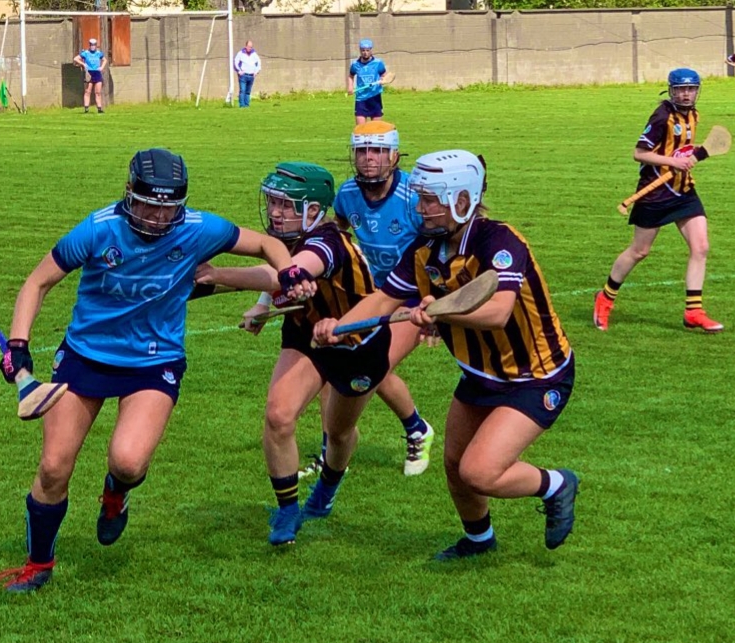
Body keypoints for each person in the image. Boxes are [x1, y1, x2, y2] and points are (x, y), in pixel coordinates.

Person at [0, 148, 299, 592]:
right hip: (84, 356)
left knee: (129, 461)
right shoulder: (99, 230)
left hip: (154, 362)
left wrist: (286, 272)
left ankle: (117, 492)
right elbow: (38, 281)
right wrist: (19, 344)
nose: (156, 217)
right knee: (54, 467)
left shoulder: (199, 229)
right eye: (147, 205)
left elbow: (268, 245)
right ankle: (39, 565)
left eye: (167, 207)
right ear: (128, 194)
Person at [314, 150, 580, 560]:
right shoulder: (425, 248)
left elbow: (497, 311)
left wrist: (440, 311)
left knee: (479, 471)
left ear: (463, 199)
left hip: (536, 376)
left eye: (430, 200)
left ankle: (556, 485)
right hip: (479, 374)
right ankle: (478, 541)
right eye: (420, 198)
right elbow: (385, 298)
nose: (421, 209)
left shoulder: (500, 242)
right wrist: (340, 327)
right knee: (455, 465)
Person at [194, 162, 393, 547]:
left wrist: (219, 274)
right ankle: (287, 510)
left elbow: (285, 275)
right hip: (306, 334)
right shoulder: (288, 239)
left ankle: (327, 489)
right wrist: (263, 306)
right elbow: (278, 272)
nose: (274, 212)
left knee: (337, 433)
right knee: (279, 415)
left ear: (314, 211)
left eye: (286, 205)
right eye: (272, 203)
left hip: (357, 341)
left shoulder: (325, 243)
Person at [288, 121, 434, 479]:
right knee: (338, 362)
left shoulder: (412, 198)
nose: (369, 159)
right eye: (362, 151)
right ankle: (335, 450)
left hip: (408, 297)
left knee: (369, 365)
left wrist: (434, 305)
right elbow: (333, 232)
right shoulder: (348, 193)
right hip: (369, 295)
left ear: (395, 155)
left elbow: (436, 251)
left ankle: (416, 429)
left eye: (378, 151)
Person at [593, 68, 724, 333]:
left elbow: (683, 148)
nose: (686, 94)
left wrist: (695, 155)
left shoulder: (694, 115)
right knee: (639, 251)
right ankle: (605, 298)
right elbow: (639, 153)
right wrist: (671, 161)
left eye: (691, 89)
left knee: (701, 247)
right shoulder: (662, 115)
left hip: (683, 191)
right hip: (654, 194)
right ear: (672, 90)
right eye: (681, 89)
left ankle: (693, 311)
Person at [347, 39, 389, 125]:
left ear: (371, 50)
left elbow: (384, 75)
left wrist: (383, 80)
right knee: (360, 129)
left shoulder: (378, 63)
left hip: (375, 97)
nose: (365, 52)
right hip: (361, 98)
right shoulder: (355, 64)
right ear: (360, 50)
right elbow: (350, 76)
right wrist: (350, 87)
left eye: (367, 50)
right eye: (363, 50)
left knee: (376, 129)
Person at [73, 38, 108, 114]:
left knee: (98, 92)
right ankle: (86, 109)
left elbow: (105, 60)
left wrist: (101, 67)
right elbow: (75, 58)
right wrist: (83, 64)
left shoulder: (99, 53)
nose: (93, 46)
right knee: (87, 91)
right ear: (89, 45)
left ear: (96, 45)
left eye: (94, 45)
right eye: (91, 45)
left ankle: (99, 109)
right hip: (89, 73)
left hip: (97, 73)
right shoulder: (85, 53)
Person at [233, 40, 262, 109]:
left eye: (251, 47)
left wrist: (256, 72)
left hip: (251, 76)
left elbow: (259, 63)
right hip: (243, 75)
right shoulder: (240, 53)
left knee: (248, 91)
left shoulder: (254, 54)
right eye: (249, 47)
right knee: (242, 90)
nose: (250, 48)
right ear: (246, 46)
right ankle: (242, 105)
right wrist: (239, 71)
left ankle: (247, 104)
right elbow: (235, 62)